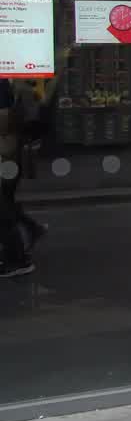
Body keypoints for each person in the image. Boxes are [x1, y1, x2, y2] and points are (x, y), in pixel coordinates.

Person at [0, 77, 48, 278]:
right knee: (5, 203)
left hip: (6, 155)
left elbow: (3, 120)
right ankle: (29, 230)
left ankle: (18, 258)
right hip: (9, 154)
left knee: (2, 208)